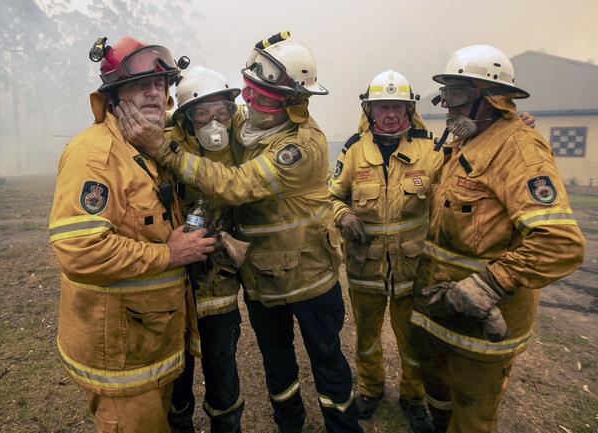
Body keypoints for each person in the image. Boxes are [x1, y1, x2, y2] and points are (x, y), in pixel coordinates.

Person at [140, 32, 363, 433]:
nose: (250, 103)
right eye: (247, 91)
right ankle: (288, 424)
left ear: (292, 101)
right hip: (263, 282)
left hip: (310, 280)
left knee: (327, 360)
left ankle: (343, 426)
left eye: (263, 97)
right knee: (277, 366)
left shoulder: (300, 145)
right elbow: (203, 115)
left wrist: (164, 149)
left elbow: (236, 185)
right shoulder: (246, 124)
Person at [411, 44, 586, 433]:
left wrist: (490, 283)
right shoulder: (463, 143)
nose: (445, 105)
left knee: (472, 413)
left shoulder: (520, 149)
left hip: (483, 320)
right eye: (445, 95)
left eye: (456, 95)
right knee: (437, 391)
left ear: (488, 98)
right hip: (440, 307)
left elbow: (560, 242)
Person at [49, 36, 215, 433]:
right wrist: (169, 256)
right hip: (119, 356)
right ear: (113, 96)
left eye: (160, 84)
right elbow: (79, 249)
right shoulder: (96, 154)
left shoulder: (146, 147)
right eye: (141, 85)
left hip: (149, 342)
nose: (155, 94)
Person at [329, 70, 440, 433]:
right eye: (382, 107)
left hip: (413, 268)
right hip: (365, 267)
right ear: (370, 110)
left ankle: (413, 398)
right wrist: (343, 215)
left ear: (409, 109)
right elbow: (330, 196)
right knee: (365, 337)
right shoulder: (354, 150)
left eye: (397, 106)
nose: (390, 114)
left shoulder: (431, 148)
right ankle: (370, 390)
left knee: (413, 339)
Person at [165, 66, 247, 433]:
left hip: (221, 283)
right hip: (176, 281)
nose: (215, 121)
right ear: (185, 118)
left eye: (222, 111)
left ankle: (226, 424)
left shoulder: (243, 141)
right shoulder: (164, 148)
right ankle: (179, 423)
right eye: (202, 113)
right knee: (176, 368)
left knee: (222, 365)